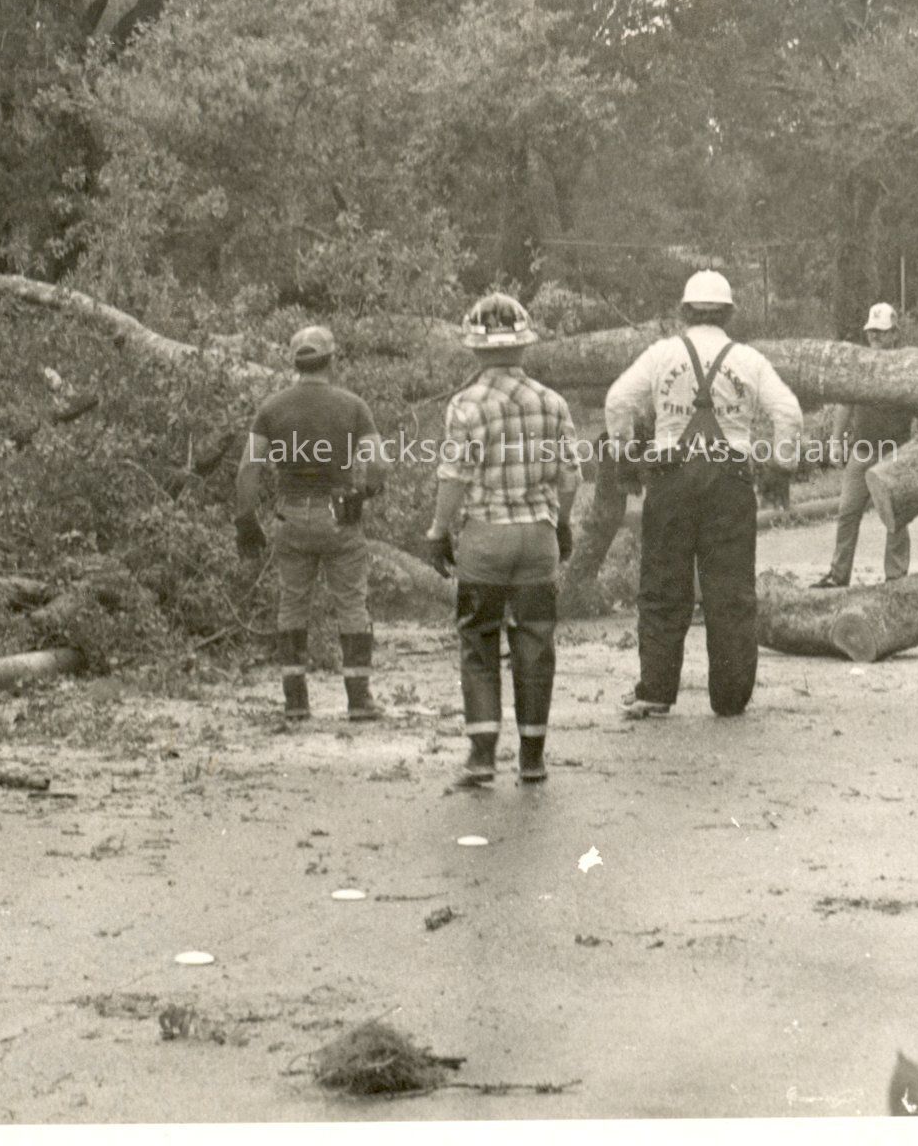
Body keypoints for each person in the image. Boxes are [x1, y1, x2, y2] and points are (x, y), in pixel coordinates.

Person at [605, 270, 802, 719]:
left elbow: (617, 401)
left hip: (671, 480)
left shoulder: (662, 354)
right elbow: (788, 413)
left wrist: (625, 456)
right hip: (729, 483)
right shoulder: (748, 359)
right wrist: (781, 466)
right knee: (730, 591)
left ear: (684, 311)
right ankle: (730, 698)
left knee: (663, 585)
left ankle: (655, 691)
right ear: (729, 313)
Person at [424, 293, 581, 786]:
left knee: (479, 641)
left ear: (474, 348)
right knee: (535, 643)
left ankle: (482, 756)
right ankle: (532, 758)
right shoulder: (552, 402)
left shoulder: (466, 405)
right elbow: (570, 476)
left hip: (485, 538)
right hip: (537, 536)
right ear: (525, 343)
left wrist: (438, 530)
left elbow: (454, 476)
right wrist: (561, 522)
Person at [235, 325, 388, 722]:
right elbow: (378, 462)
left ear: (295, 362)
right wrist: (367, 491)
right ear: (331, 360)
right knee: (351, 602)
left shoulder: (272, 408)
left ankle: (296, 701)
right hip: (338, 514)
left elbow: (249, 467)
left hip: (290, 514)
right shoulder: (352, 406)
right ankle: (359, 699)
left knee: (292, 603)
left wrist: (245, 518)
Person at [813, 302, 913, 588]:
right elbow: (845, 404)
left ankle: (896, 576)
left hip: (895, 451)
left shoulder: (907, 366)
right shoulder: (858, 367)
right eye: (872, 332)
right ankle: (838, 574)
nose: (875, 337)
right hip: (862, 449)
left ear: (895, 333)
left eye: (882, 332)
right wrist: (835, 441)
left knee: (896, 514)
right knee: (847, 512)